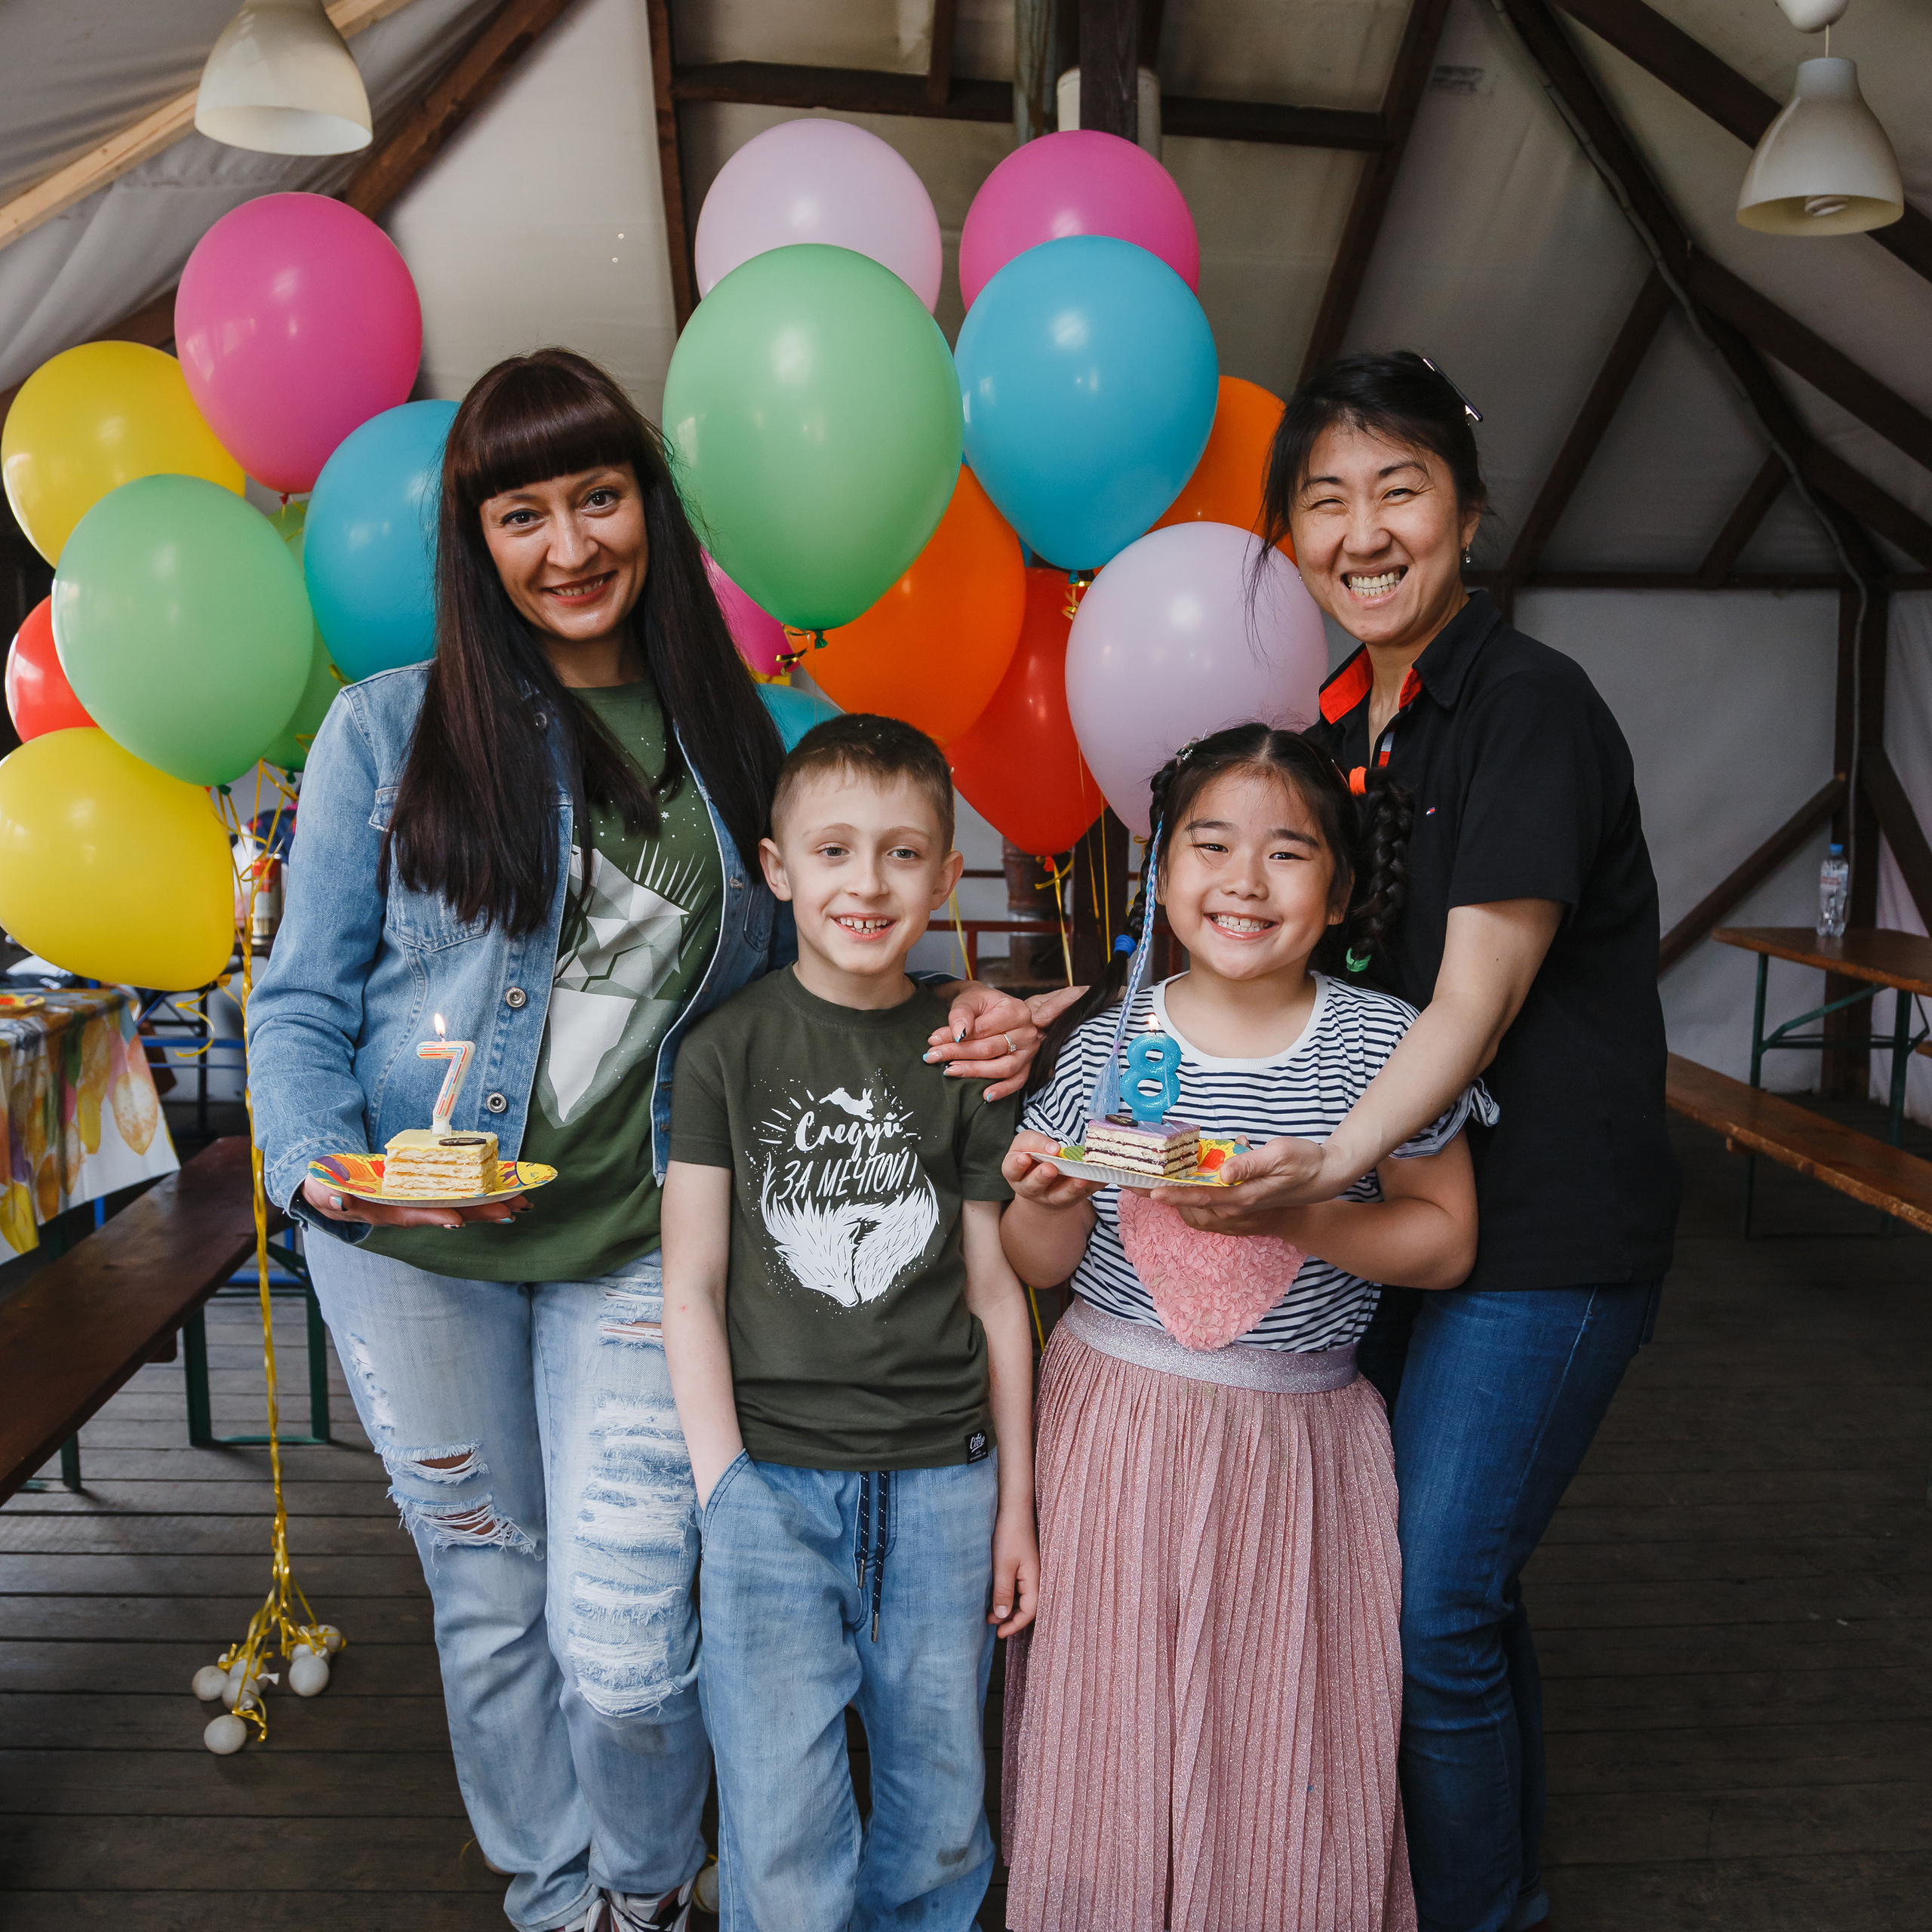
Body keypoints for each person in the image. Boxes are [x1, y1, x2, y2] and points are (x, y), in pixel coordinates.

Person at [246, 350, 1054, 1932]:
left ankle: (640, 1879)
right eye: (522, 512)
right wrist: (315, 1160)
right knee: (489, 1602)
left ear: (648, 507)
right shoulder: (383, 732)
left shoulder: (735, 743)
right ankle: (562, 1901)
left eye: (597, 496)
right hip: (409, 1248)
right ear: (474, 541)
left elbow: (825, 958)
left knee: (623, 1636)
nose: (567, 545)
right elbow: (295, 1004)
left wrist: (980, 1011)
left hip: (636, 1245)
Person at [1164, 353, 1678, 1932]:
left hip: (1542, 1233)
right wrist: (1067, 1010)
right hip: (1417, 1210)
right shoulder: (1346, 718)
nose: (1361, 529)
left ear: (1465, 507)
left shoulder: (1525, 705)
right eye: (1324, 498)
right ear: (1288, 536)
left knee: (1427, 1601)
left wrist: (1311, 1168)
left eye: (1397, 487)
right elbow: (1278, 944)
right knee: (1455, 1596)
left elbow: (1465, 1006)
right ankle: (1491, 1884)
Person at [998, 723, 1485, 1932]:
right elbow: (1038, 1264)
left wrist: (1304, 1218)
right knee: (1112, 1710)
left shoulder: (1385, 1044)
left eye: (1288, 852)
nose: (1245, 883)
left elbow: (1446, 1237)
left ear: (1341, 886)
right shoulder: (1108, 1042)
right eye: (1211, 846)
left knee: (1281, 1725)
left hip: (1298, 1442)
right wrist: (1038, 1200)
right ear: (1163, 873)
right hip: (1112, 1426)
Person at [660, 714, 1038, 1932]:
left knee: (938, 1815)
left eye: (899, 853)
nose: (865, 883)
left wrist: (1017, 1499)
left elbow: (997, 1292)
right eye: (831, 851)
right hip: (770, 1482)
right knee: (778, 1818)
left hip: (942, 1486)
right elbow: (691, 1285)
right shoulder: (724, 1051)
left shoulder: (967, 1057)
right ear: (778, 871)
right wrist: (725, 1488)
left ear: (943, 873)